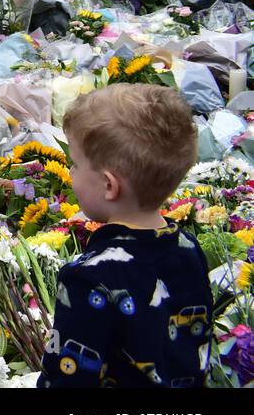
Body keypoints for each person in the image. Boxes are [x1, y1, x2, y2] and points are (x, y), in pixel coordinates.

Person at [38, 83, 212, 388]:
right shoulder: (188, 247)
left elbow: (68, 380)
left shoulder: (89, 277)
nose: (71, 174)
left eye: (75, 165)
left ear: (109, 185)